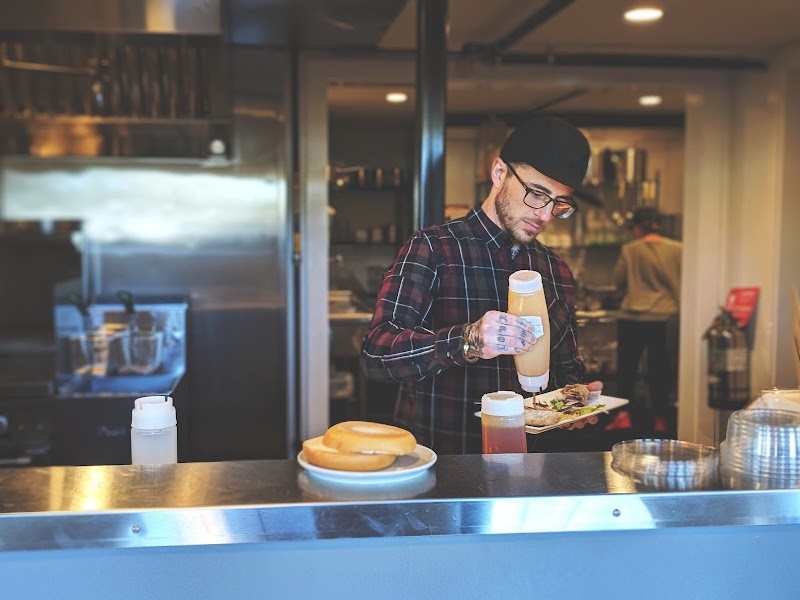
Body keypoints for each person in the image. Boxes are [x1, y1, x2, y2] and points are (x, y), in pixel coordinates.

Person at [360, 116, 603, 454]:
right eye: (536, 194)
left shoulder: (555, 270)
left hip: (531, 468)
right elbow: (377, 353)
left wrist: (575, 401)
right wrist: (468, 340)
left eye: (559, 203)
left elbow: (565, 368)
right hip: (444, 465)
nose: (545, 215)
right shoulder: (433, 248)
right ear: (499, 173)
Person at [612, 206, 682, 436]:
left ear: (637, 227)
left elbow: (619, 281)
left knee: (627, 370)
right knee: (660, 370)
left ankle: (623, 416)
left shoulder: (630, 250)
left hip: (631, 316)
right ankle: (661, 419)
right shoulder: (677, 249)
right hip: (664, 317)